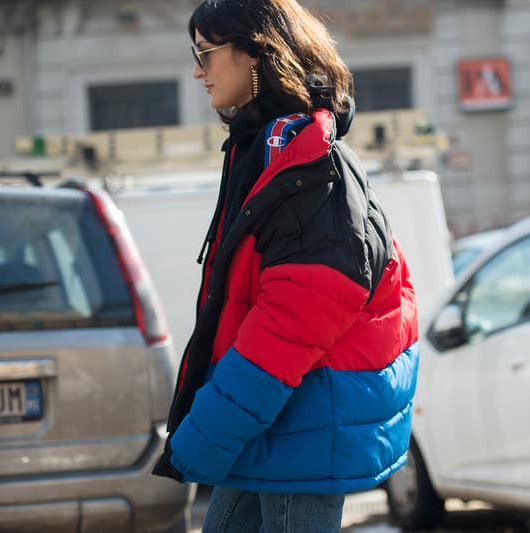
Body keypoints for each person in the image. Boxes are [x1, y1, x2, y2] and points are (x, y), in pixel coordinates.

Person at [152, 0, 419, 530]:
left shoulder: (303, 161)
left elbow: (298, 315)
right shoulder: (265, 147)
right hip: (275, 419)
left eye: (206, 53)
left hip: (301, 426)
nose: (198, 71)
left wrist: (207, 428)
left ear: (255, 53)